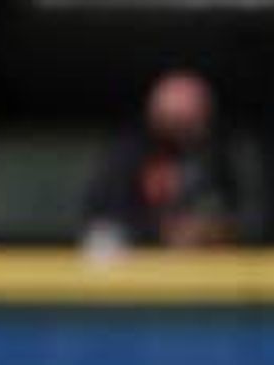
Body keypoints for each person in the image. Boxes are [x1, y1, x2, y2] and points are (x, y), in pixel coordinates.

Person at [80, 71, 243, 252]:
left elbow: (228, 210)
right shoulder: (129, 151)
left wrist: (203, 228)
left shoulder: (214, 155)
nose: (182, 128)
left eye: (189, 120)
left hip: (190, 254)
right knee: (104, 240)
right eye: (174, 119)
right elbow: (106, 211)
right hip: (134, 248)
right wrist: (159, 228)